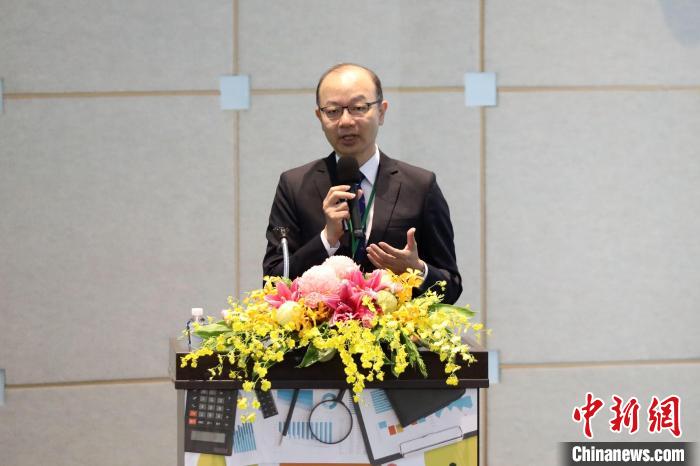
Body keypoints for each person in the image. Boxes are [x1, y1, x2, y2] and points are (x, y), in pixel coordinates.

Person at [263, 63, 462, 304]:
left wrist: (417, 270)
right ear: (319, 117)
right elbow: (272, 282)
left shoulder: (420, 186)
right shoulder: (294, 186)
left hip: (396, 328)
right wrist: (327, 239)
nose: (345, 121)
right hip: (317, 328)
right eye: (333, 111)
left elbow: (451, 287)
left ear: (381, 111)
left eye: (358, 108)